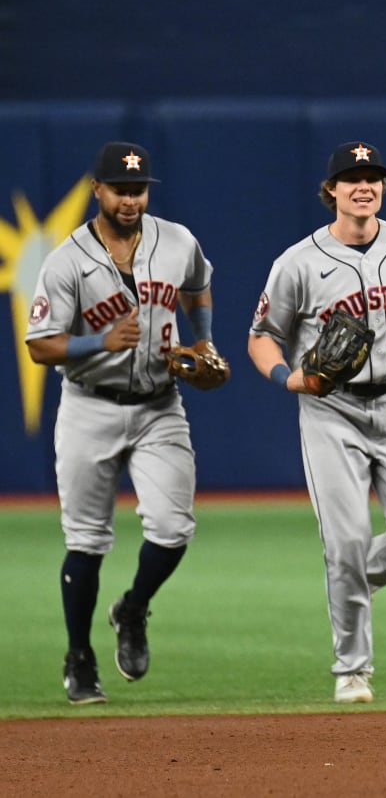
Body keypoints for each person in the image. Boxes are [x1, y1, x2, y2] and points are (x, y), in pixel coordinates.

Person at [247, 141, 386, 704]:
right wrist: (287, 379)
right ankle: (352, 669)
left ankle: (348, 582)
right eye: (351, 178)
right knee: (344, 539)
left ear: (382, 188)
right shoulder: (298, 261)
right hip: (330, 411)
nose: (363, 186)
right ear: (332, 191)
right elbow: (262, 336)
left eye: (373, 178)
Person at [26, 141, 229, 705]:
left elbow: (197, 283)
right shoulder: (66, 260)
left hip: (160, 404)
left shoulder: (177, 240)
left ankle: (133, 609)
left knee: (173, 528)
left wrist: (204, 335)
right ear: (98, 191)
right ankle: (79, 657)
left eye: (138, 190)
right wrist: (100, 341)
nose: (130, 199)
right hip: (89, 406)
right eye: (119, 189)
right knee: (87, 541)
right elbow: (41, 346)